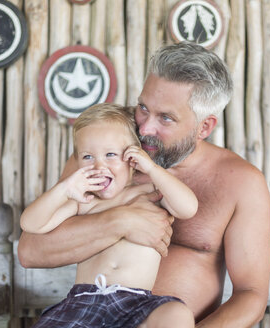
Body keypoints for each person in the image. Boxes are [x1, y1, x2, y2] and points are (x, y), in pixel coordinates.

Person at [19, 42, 270, 327]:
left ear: (204, 127)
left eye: (166, 118)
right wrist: (120, 221)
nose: (144, 128)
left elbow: (250, 295)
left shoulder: (241, 182)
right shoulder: (104, 157)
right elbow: (31, 251)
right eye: (142, 107)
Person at [21, 103, 198, 327]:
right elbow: (31, 223)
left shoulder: (151, 195)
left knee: (177, 314)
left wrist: (153, 169)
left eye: (110, 154)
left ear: (132, 158)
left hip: (136, 304)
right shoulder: (84, 202)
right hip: (84, 301)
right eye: (87, 157)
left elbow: (188, 208)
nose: (99, 165)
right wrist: (64, 189)